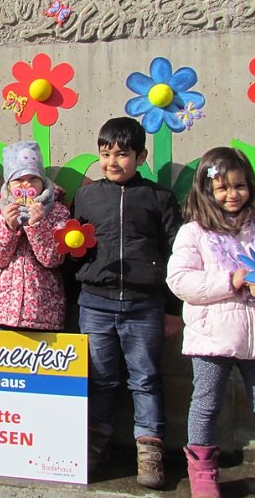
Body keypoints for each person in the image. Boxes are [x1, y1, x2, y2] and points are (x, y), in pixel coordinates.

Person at [167, 147, 255, 498]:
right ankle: (202, 473)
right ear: (207, 190)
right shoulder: (194, 232)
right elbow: (180, 281)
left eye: (240, 186)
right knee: (206, 402)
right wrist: (232, 280)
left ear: (250, 187)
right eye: (223, 188)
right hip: (211, 336)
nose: (232, 194)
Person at [70, 117, 182, 489]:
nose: (112, 162)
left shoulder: (159, 198)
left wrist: (171, 310)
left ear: (141, 156)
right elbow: (74, 248)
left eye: (122, 154)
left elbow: (176, 257)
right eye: (105, 154)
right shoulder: (86, 196)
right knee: (100, 379)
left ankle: (149, 451)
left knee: (146, 379)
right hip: (95, 305)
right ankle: (96, 446)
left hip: (144, 306)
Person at [0, 140, 68, 331]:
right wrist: (9, 227)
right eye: (18, 180)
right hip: (4, 311)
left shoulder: (57, 212)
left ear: (42, 181)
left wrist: (37, 225)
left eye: (33, 179)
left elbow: (52, 259)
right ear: (8, 184)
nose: (26, 184)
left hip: (43, 311)